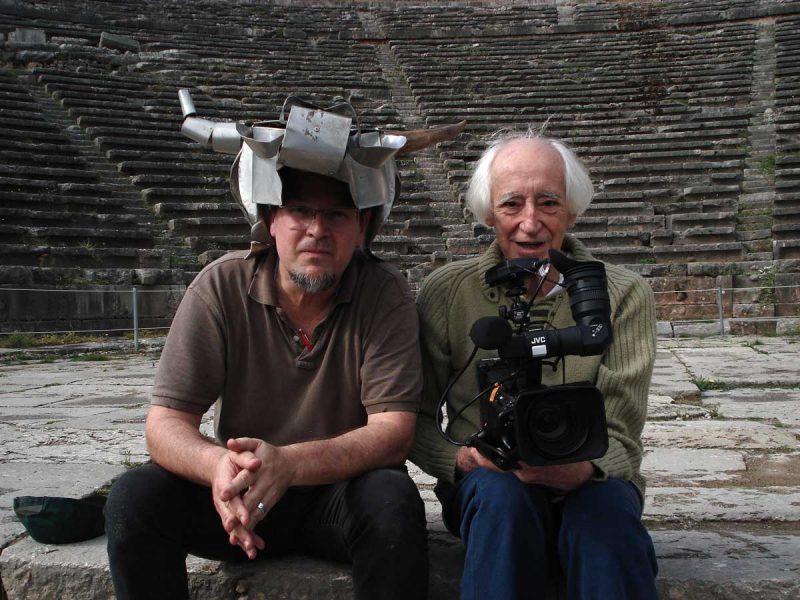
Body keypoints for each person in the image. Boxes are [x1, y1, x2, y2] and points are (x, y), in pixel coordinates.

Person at [104, 95, 465, 600]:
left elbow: (392, 434)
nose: (318, 230)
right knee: (134, 498)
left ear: (362, 229)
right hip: (243, 496)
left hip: (336, 501)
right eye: (299, 211)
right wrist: (219, 469)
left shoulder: (383, 294)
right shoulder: (220, 286)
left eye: (338, 215)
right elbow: (165, 424)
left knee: (391, 498)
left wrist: (289, 464)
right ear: (270, 221)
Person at [410, 132, 659, 600]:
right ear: (488, 213)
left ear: (571, 209)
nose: (531, 222)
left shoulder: (623, 294)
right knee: (503, 502)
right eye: (511, 204)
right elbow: (415, 418)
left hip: (593, 482)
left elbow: (621, 431)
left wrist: (585, 468)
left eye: (548, 202)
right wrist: (462, 461)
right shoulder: (446, 292)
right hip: (488, 486)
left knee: (604, 517)